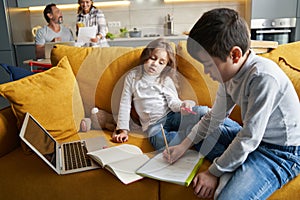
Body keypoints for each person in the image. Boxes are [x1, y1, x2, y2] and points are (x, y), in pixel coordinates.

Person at [163, 8, 300, 199]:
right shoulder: (229, 76)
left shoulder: (263, 77)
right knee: (201, 115)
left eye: (209, 65)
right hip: (253, 140)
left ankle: (234, 168)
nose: (207, 72)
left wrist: (213, 172)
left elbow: (249, 137)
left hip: (279, 153)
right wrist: (183, 146)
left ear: (235, 55)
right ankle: (236, 164)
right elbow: (215, 118)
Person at [113, 38, 241, 151]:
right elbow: (125, 104)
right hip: (154, 124)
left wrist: (183, 105)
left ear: (166, 66)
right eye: (153, 58)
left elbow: (173, 103)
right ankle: (195, 133)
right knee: (159, 142)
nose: (155, 64)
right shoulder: (133, 77)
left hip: (172, 115)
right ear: (146, 56)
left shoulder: (165, 79)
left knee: (203, 111)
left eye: (161, 62)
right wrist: (123, 130)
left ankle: (239, 132)